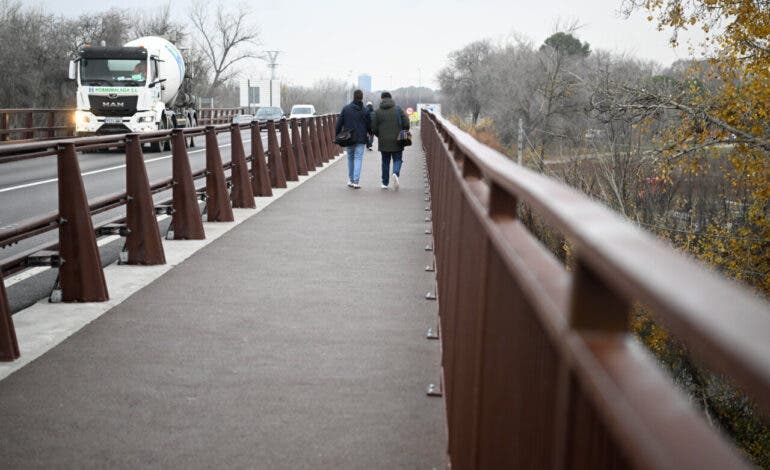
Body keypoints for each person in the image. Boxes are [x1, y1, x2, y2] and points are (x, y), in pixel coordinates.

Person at [370, 91, 409, 190]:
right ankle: (395, 173)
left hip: (384, 141)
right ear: (391, 98)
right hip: (398, 139)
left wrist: (380, 135)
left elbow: (373, 127)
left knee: (385, 162)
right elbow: (406, 123)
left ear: (382, 99)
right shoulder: (398, 109)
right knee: (398, 159)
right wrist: (403, 131)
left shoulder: (377, 112)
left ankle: (385, 183)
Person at [335, 89, 371, 189]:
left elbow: (339, 123)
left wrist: (337, 135)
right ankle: (356, 182)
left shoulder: (346, 109)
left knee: (350, 158)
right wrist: (370, 133)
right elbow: (369, 125)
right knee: (358, 158)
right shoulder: (365, 110)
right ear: (362, 97)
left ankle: (350, 180)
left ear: (353, 97)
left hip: (349, 138)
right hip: (361, 139)